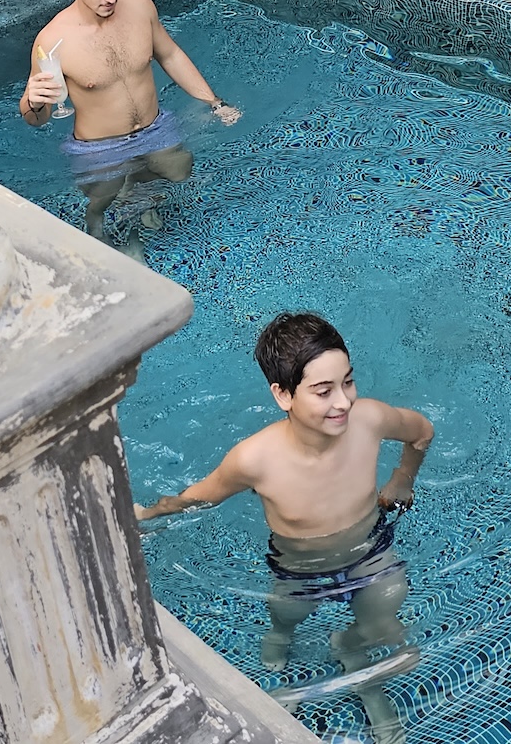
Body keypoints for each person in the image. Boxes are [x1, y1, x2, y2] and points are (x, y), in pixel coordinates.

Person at [135, 313, 434, 742]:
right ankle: (279, 643)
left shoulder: (370, 420)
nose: (343, 402)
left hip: (369, 549)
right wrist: (147, 517)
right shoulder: (255, 460)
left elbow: (422, 432)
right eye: (323, 391)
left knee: (391, 614)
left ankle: (352, 652)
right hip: (298, 567)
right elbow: (197, 499)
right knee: (287, 615)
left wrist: (402, 478)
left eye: (348, 382)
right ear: (283, 395)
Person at [21, 0, 239, 243]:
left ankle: (138, 193)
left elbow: (170, 55)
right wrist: (33, 101)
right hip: (99, 147)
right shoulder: (52, 40)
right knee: (102, 201)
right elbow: (36, 118)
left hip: (154, 127)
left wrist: (215, 103)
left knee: (180, 172)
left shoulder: (138, 4)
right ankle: (97, 224)